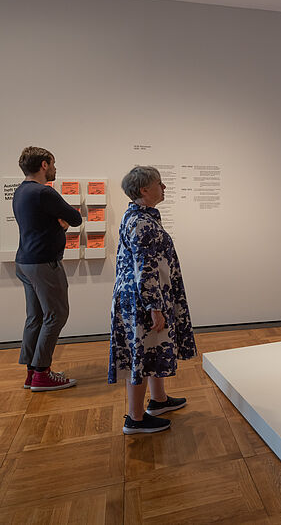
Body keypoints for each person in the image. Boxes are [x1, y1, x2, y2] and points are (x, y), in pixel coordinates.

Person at [109, 166, 197, 435]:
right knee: (142, 354)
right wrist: (154, 308)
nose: (165, 188)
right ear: (144, 190)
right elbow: (144, 268)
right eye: (160, 183)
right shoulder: (141, 223)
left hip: (142, 296)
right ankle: (135, 419)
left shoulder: (139, 216)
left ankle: (158, 401)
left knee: (152, 348)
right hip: (142, 301)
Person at [14, 147, 82, 391]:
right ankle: (42, 373)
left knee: (37, 316)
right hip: (43, 263)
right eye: (53, 163)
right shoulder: (44, 192)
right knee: (56, 315)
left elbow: (40, 225)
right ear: (44, 165)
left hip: (25, 261)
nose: (55, 168)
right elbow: (75, 218)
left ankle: (32, 372)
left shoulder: (21, 191)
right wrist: (62, 223)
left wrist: (57, 226)